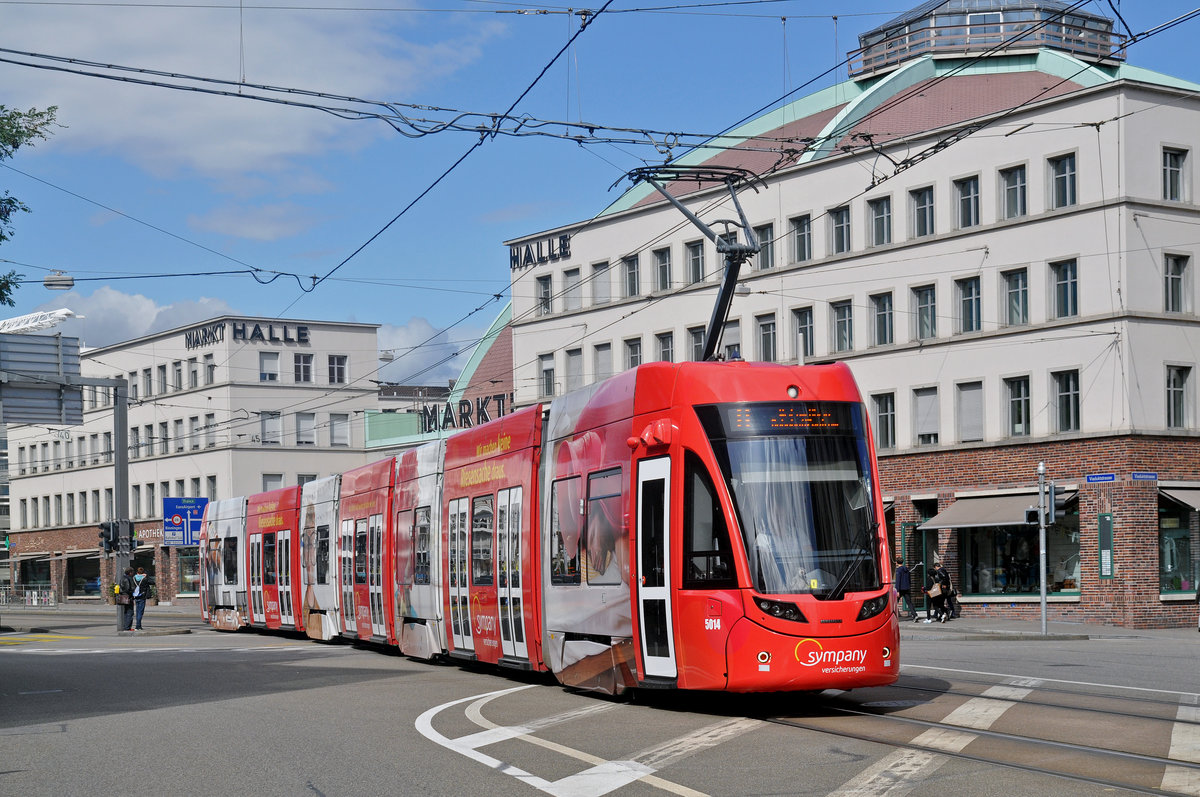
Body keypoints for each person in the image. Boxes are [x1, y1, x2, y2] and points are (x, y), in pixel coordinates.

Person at [132, 567, 155, 631]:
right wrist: (147, 576)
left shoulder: (134, 578)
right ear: (143, 573)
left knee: (137, 611)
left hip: (136, 596)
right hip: (142, 596)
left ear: (137, 572)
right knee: (140, 612)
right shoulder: (145, 578)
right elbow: (153, 582)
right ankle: (138, 626)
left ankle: (138, 625)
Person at [118, 567, 136, 631]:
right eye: (132, 572)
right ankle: (127, 627)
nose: (133, 573)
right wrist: (133, 591)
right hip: (128, 597)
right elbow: (128, 588)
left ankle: (126, 626)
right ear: (130, 572)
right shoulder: (128, 578)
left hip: (123, 597)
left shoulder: (122, 578)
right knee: (130, 612)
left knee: (126, 612)